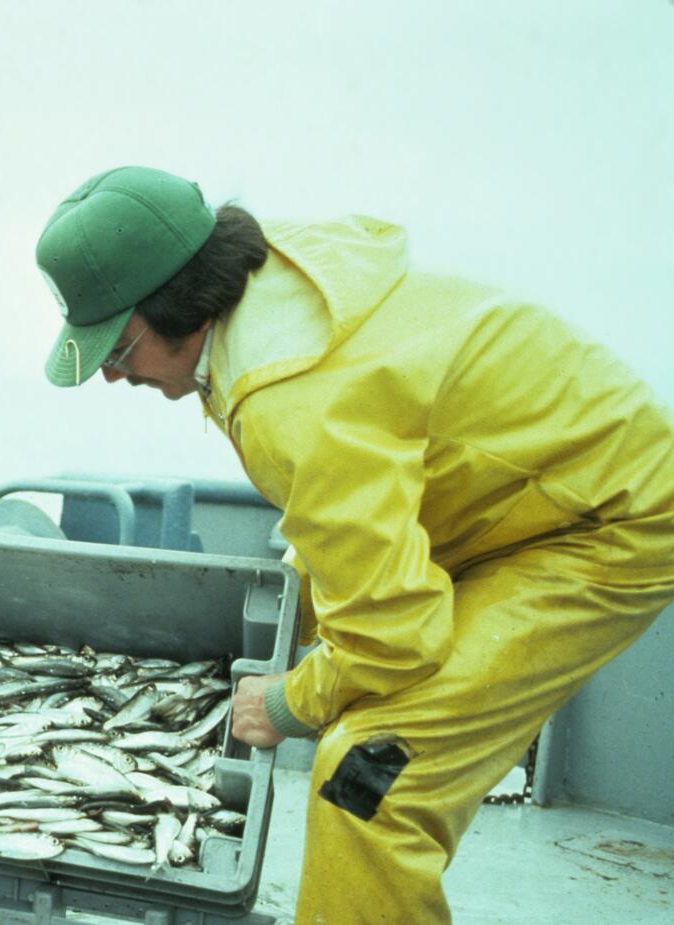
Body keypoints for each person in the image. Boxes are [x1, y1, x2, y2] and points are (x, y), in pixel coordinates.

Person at [33, 166, 674, 924]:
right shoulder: (267, 285)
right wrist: (291, 615)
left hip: (603, 523)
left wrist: (287, 702)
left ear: (176, 305)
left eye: (118, 348)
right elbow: (354, 475)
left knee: (367, 778)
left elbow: (396, 639)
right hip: (505, 498)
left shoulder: (290, 395)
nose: (111, 374)